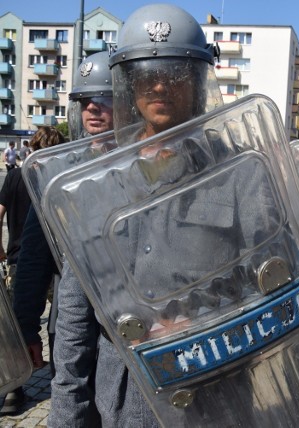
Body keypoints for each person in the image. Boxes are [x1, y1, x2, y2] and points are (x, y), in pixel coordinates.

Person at [48, 4, 223, 426]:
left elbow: (273, 288)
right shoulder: (96, 184)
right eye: (147, 75)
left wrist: (202, 318)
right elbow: (75, 317)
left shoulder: (237, 174)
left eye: (176, 74)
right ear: (129, 84)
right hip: (125, 403)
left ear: (197, 82)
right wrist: (67, 416)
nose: (160, 85)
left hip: (216, 396)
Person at [9, 51, 116, 416]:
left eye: (104, 100)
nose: (92, 110)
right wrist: (26, 328)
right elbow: (34, 255)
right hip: (70, 321)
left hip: (128, 322)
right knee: (73, 407)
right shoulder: (58, 171)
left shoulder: (145, 159)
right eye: (85, 101)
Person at [0, 126, 65, 415]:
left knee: (22, 322)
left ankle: (15, 390)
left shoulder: (14, 176)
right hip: (47, 263)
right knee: (57, 321)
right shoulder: (53, 178)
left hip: (18, 257)